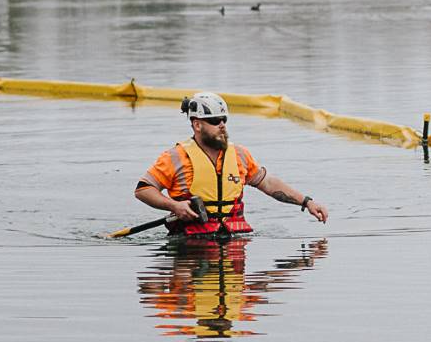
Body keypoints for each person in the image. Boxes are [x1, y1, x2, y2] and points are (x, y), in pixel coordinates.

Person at [134, 92, 328, 237]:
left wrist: (307, 202)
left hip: (234, 239)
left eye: (224, 119)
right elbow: (143, 190)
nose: (222, 125)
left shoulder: (239, 155)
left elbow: (268, 183)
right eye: (215, 120)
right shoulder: (174, 157)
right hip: (190, 245)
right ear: (197, 125)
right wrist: (174, 206)